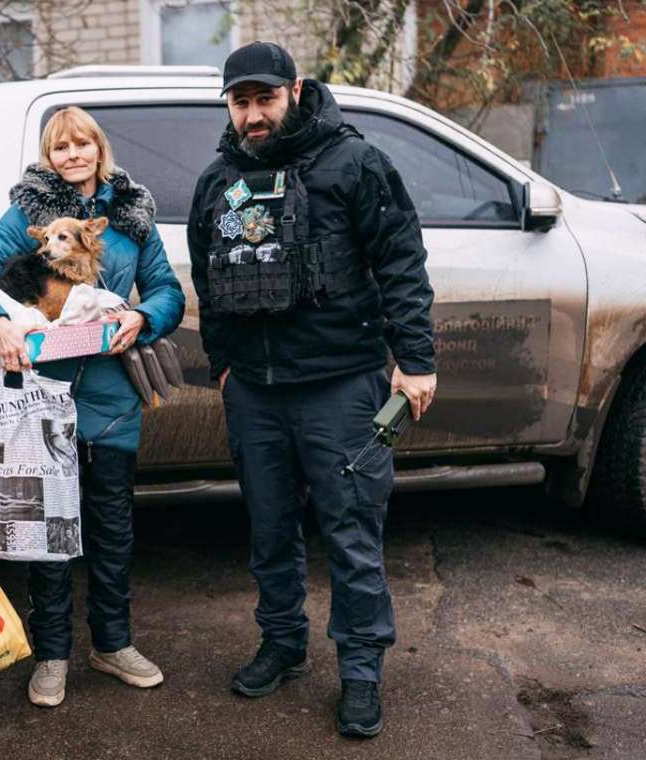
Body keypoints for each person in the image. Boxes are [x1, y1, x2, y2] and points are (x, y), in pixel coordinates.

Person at [188, 41, 437, 738]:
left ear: (295, 90)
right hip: (256, 392)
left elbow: (402, 263)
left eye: (265, 97)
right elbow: (208, 278)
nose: (253, 113)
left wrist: (414, 361)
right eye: (241, 101)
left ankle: (361, 670)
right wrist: (224, 365)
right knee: (269, 532)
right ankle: (283, 643)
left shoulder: (353, 163)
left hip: (341, 385)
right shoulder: (217, 181)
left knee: (351, 533)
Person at [0, 106, 185, 707]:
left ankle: (112, 644)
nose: (74, 154)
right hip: (40, 398)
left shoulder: (133, 216)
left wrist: (142, 315)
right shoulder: (26, 212)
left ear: (99, 149)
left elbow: (166, 289)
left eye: (83, 143)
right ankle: (52, 654)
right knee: (48, 531)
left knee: (111, 528)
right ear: (48, 156)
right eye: (61, 147)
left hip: (111, 398)